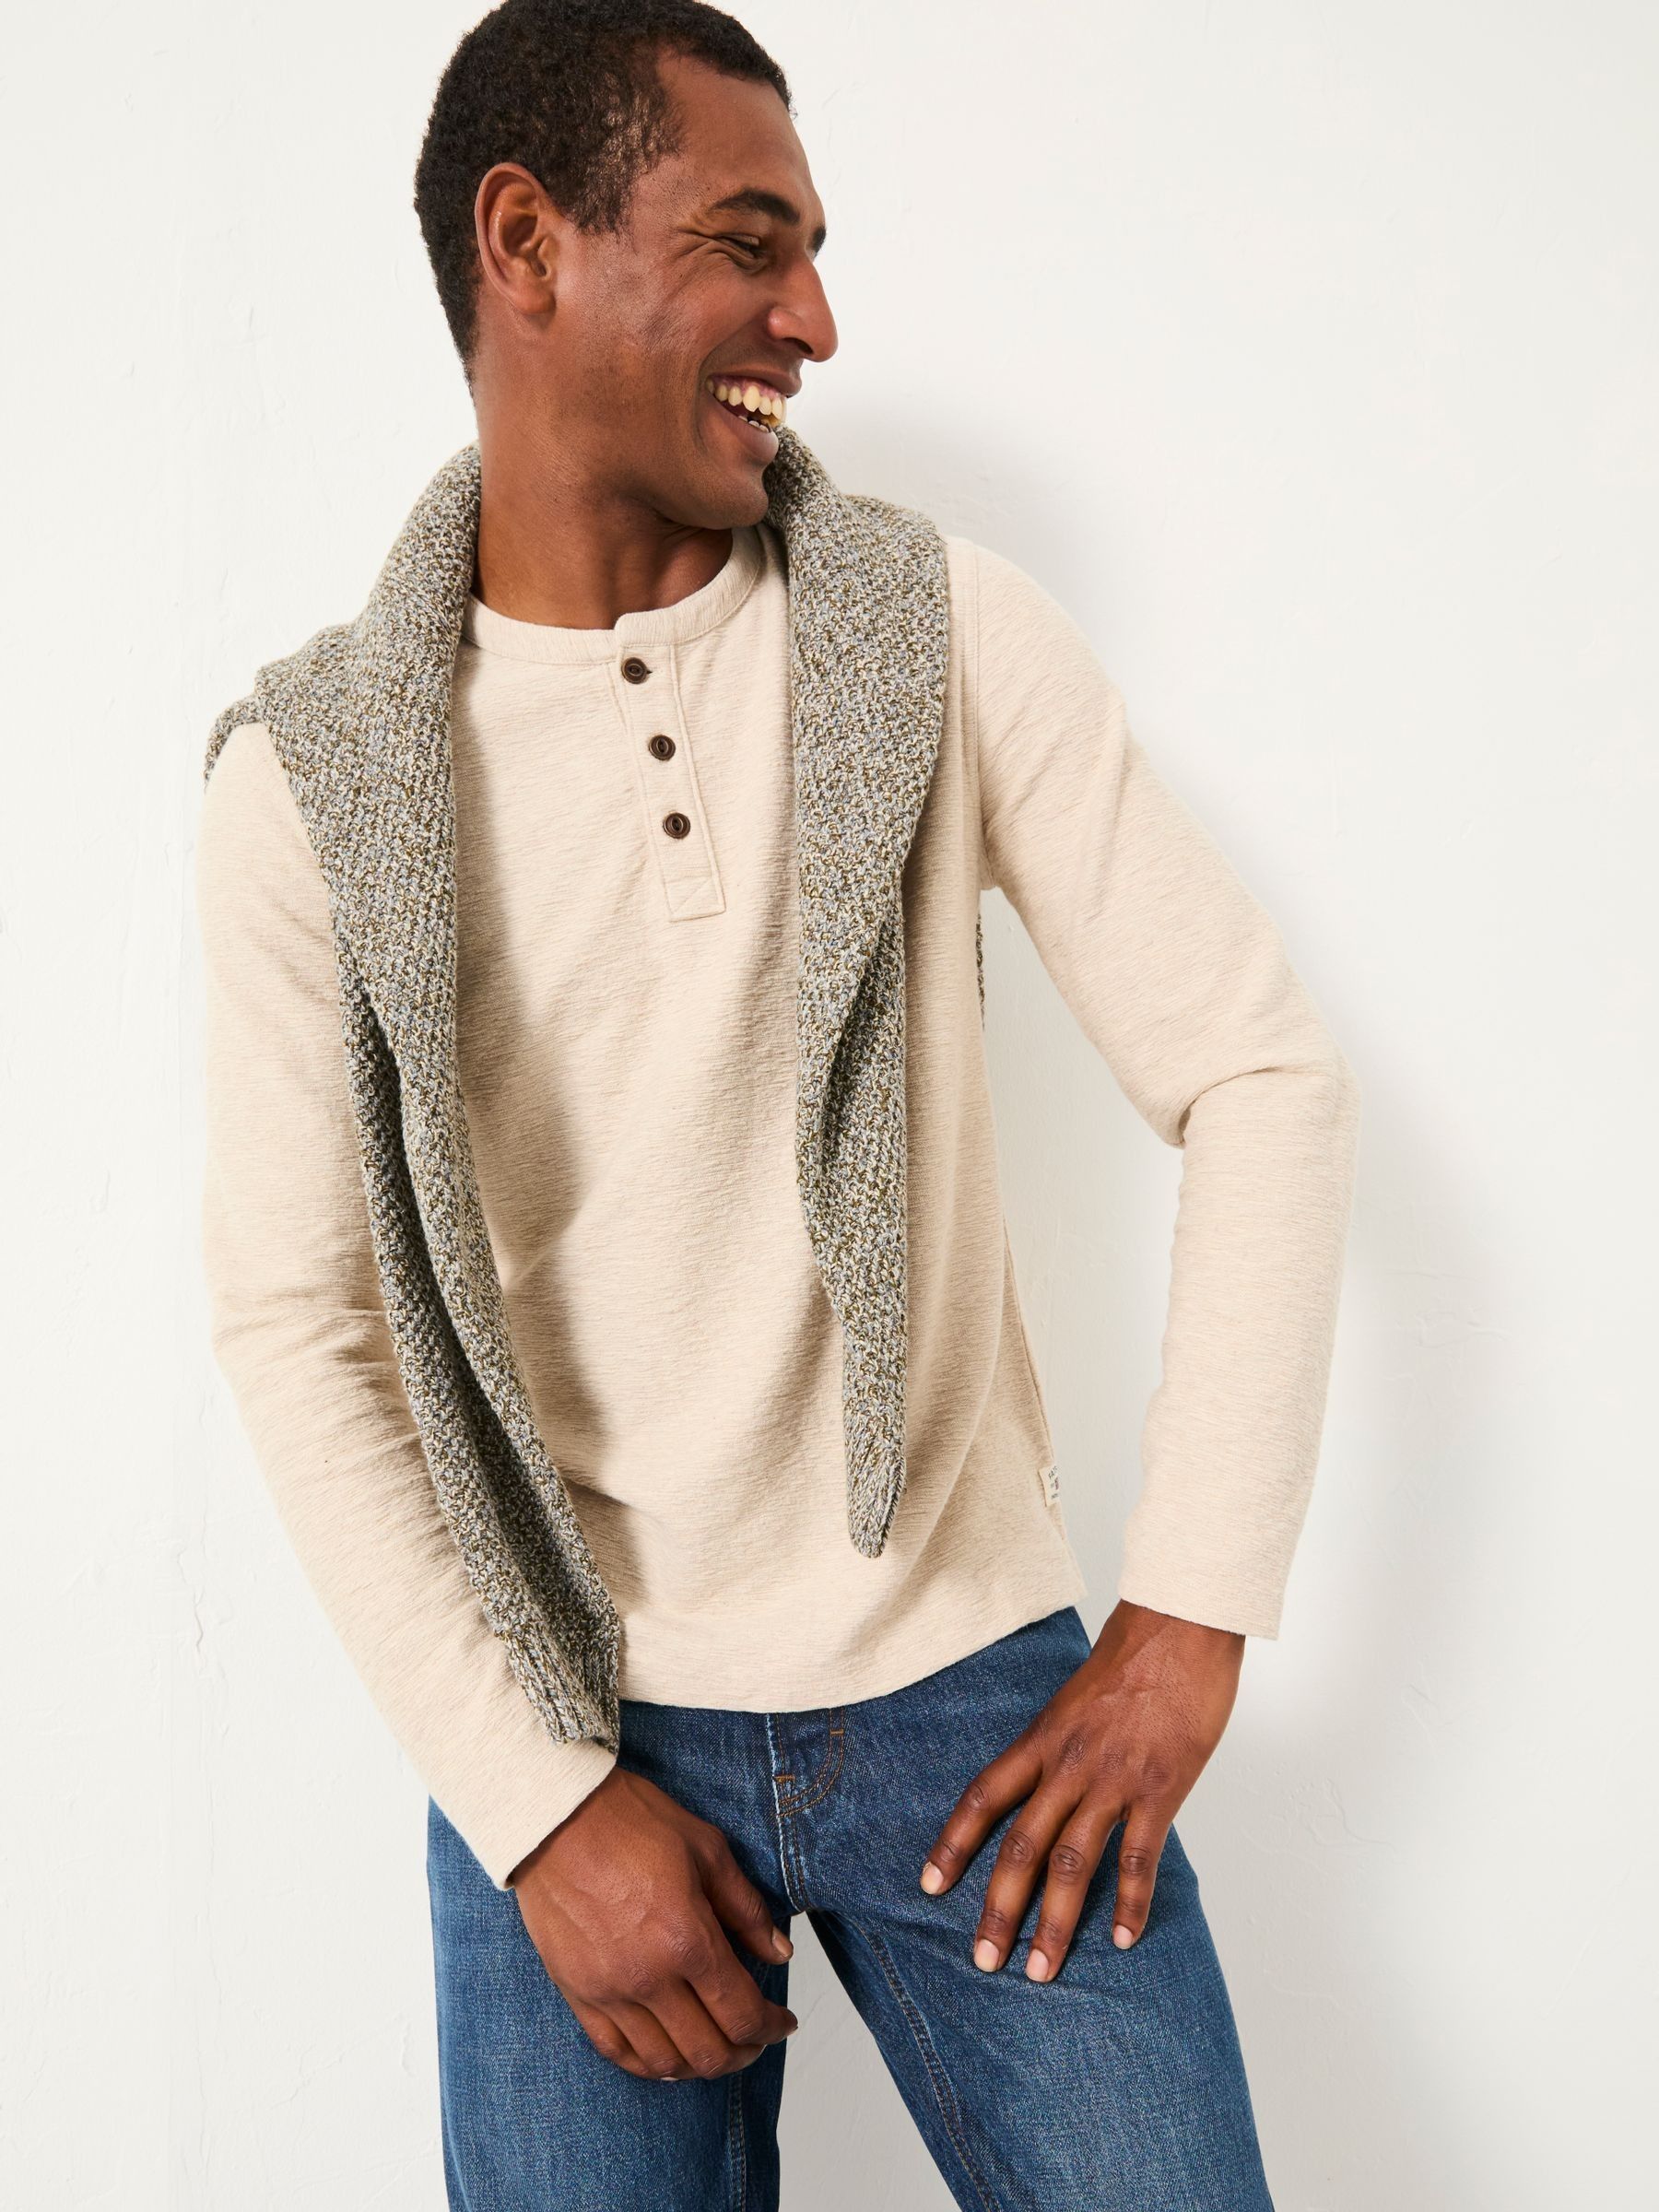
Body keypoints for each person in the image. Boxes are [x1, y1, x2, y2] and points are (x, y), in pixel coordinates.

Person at [194, 3, 1360, 2205]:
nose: (813, 319)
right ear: (525, 243)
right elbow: (299, 1324)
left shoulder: (940, 631)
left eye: (814, 253)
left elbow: (1259, 1073)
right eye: (750, 243)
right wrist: (540, 1810)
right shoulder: (308, 784)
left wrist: (1191, 1612)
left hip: (974, 1695)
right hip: (568, 1721)